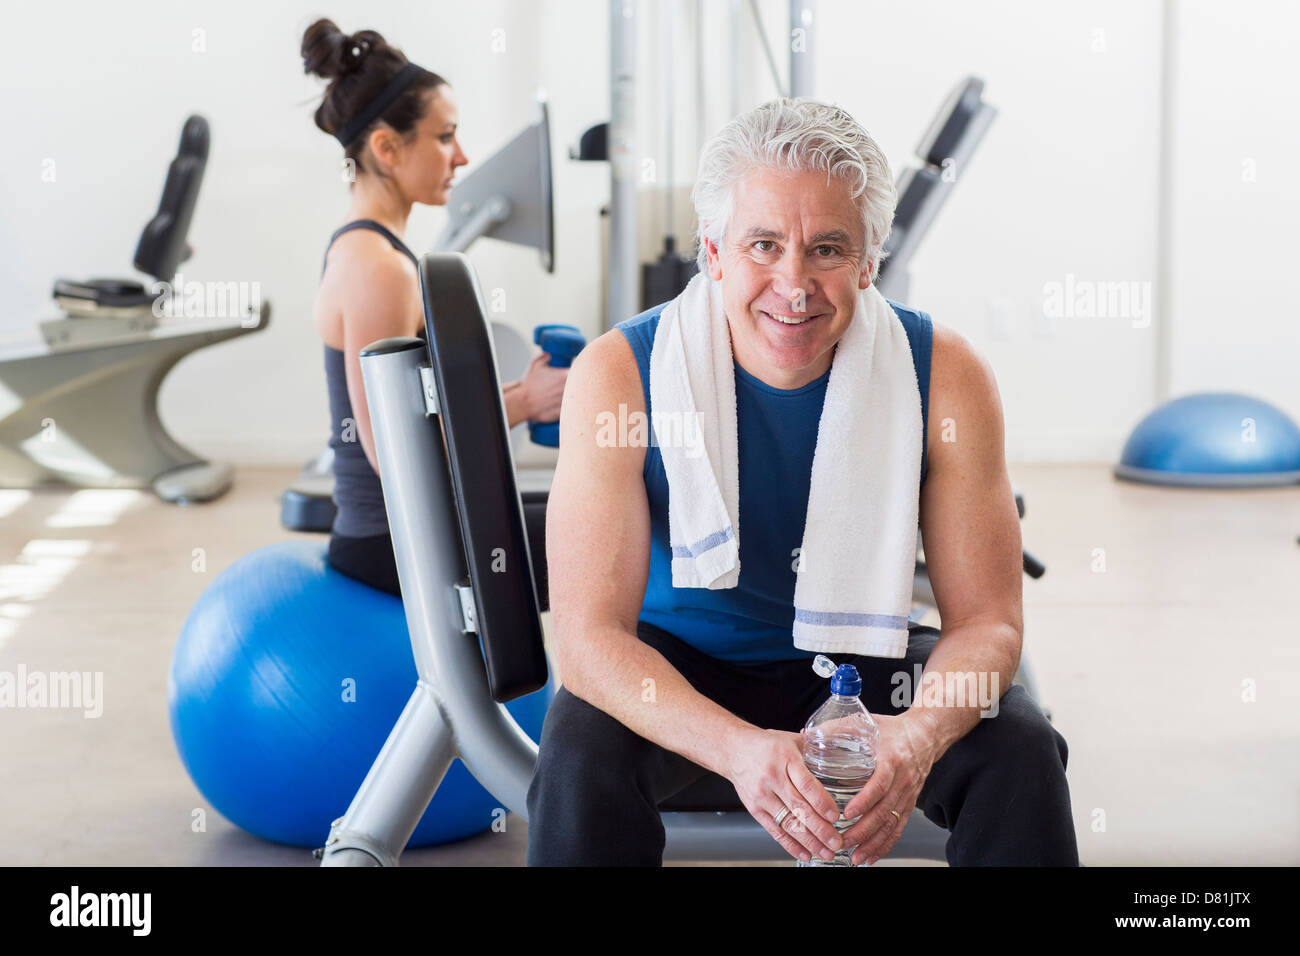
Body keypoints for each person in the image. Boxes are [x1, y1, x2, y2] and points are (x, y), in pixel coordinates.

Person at [527, 98, 1080, 866]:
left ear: (869, 260)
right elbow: (589, 643)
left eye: (826, 249)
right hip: (686, 671)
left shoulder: (946, 376)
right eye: (762, 244)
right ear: (714, 252)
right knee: (583, 744)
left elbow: (988, 624)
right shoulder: (621, 374)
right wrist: (742, 750)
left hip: (865, 665)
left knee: (1017, 743)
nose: (794, 285)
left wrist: (914, 739)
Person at [301, 19, 566, 596]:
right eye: (445, 136)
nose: (462, 156)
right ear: (387, 147)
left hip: (417, 526)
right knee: (624, 536)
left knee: (601, 502)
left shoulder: (372, 250)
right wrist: (524, 402)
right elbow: (395, 455)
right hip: (394, 544)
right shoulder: (377, 269)